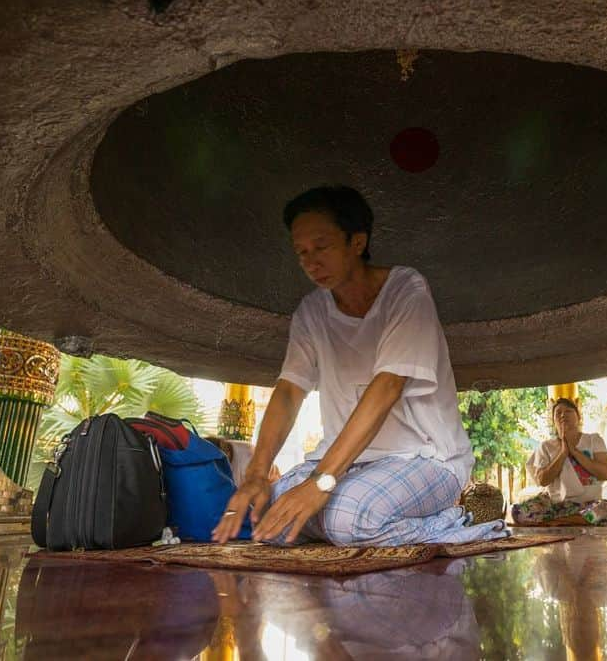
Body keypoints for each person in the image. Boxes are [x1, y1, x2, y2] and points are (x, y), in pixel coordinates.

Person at [212, 185, 508, 546]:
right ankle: (357, 525)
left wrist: (321, 482)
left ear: (356, 242)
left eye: (321, 246)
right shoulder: (311, 311)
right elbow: (290, 391)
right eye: (301, 252)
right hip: (349, 464)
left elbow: (387, 387)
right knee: (269, 516)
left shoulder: (405, 290)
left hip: (427, 459)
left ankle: (455, 522)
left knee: (347, 520)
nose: (310, 261)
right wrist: (257, 474)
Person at [511, 398, 607, 526]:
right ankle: (575, 520)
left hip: (588, 505)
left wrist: (574, 452)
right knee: (518, 512)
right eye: (558, 413)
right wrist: (563, 452)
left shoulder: (593, 440)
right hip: (556, 506)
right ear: (553, 421)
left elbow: (606, 474)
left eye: (568, 411)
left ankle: (557, 522)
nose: (563, 415)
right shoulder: (545, 446)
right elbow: (542, 480)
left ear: (578, 417)